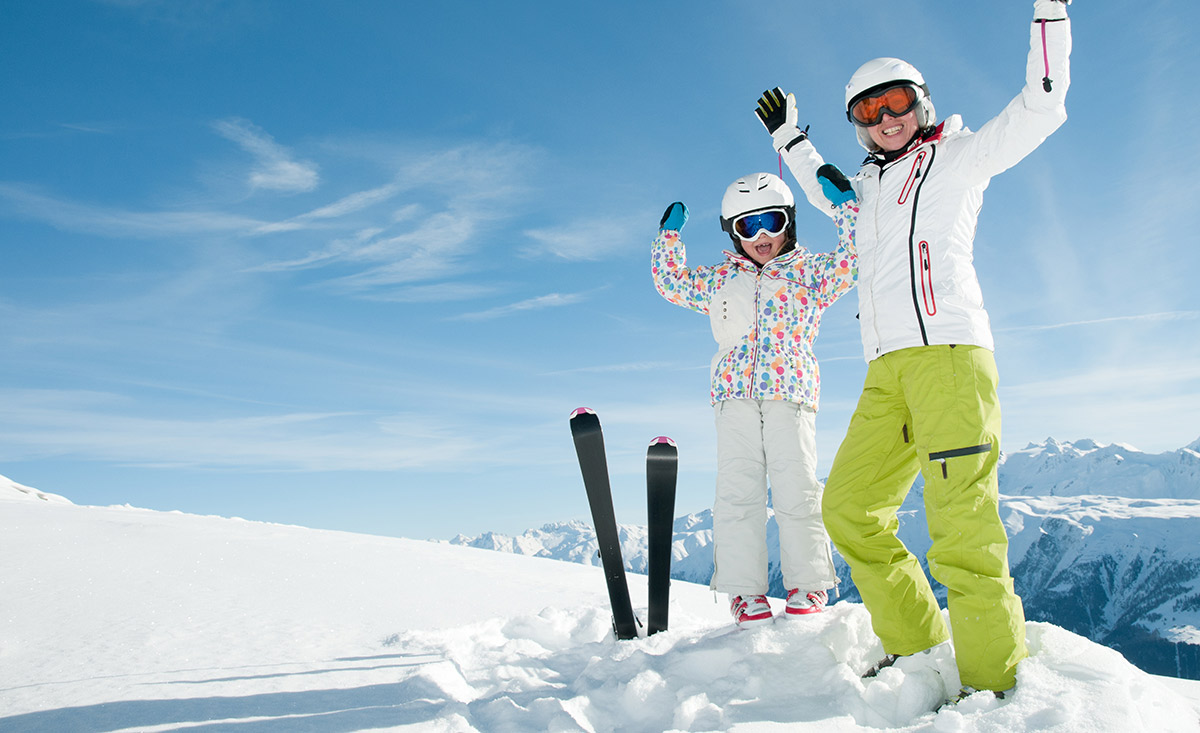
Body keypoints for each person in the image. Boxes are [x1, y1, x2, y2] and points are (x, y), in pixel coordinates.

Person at [754, 0, 1071, 701]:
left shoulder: (959, 159)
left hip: (951, 359)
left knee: (962, 531)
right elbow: (823, 181)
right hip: (884, 369)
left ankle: (994, 690)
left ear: (921, 101)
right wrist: (791, 139)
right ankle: (921, 647)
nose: (884, 119)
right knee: (849, 507)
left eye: (895, 103)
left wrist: (1049, 17)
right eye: (867, 113)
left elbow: (1041, 108)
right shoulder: (864, 192)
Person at [651, 171, 857, 628]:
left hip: (791, 393)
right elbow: (672, 284)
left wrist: (846, 208)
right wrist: (669, 237)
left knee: (797, 487)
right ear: (733, 232)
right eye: (748, 226)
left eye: (772, 221)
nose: (762, 236)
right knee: (737, 492)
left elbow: (856, 258)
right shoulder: (721, 278)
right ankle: (746, 591)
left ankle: (809, 583)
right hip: (734, 397)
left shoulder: (810, 273)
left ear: (790, 223)